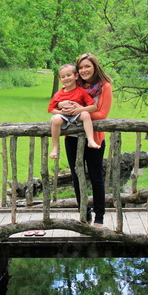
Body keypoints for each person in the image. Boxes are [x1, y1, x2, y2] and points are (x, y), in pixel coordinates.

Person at [59, 53, 113, 227]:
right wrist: (65, 109)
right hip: (72, 138)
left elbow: (102, 115)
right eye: (81, 67)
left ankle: (99, 217)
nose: (83, 70)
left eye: (87, 66)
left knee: (96, 177)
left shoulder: (104, 86)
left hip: (94, 138)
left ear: (95, 67)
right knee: (76, 176)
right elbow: (60, 101)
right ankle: (85, 214)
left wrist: (79, 111)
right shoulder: (74, 83)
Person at [48, 64, 99, 160]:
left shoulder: (81, 91)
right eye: (63, 77)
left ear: (76, 76)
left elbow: (93, 107)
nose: (66, 78)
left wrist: (79, 110)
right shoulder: (58, 94)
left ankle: (90, 140)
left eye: (69, 75)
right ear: (60, 80)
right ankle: (55, 147)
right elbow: (50, 109)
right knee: (56, 120)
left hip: (76, 115)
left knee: (86, 114)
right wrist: (61, 113)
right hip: (63, 116)